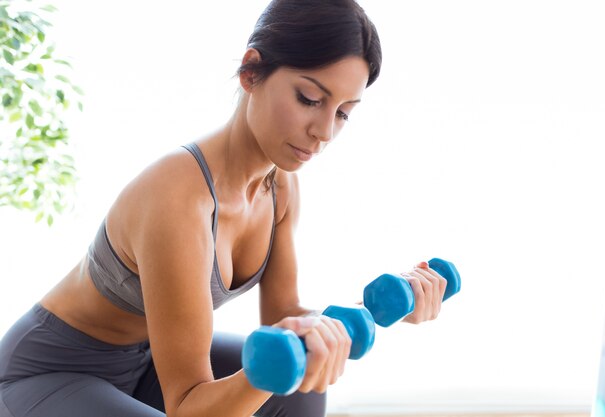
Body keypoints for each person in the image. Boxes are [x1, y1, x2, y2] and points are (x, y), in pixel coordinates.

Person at [0, 1, 448, 416]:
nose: (324, 131)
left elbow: (282, 320)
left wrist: (366, 313)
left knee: (301, 392)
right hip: (53, 371)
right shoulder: (176, 196)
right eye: (310, 99)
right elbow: (189, 405)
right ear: (251, 72)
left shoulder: (280, 186)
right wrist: (278, 363)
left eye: (344, 112)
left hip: (147, 361)